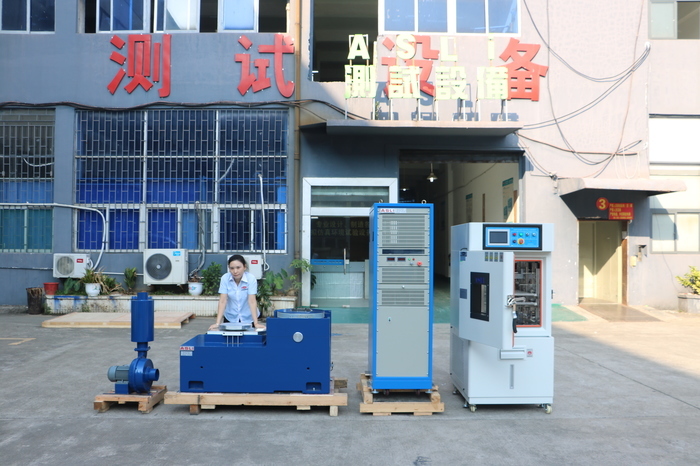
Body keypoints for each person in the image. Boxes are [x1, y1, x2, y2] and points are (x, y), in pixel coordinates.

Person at [208, 255, 265, 331]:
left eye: (238, 267)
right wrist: (217, 323)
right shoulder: (225, 278)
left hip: (248, 318)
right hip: (230, 318)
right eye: (232, 268)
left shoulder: (251, 279)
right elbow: (222, 301)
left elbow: (252, 301)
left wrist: (256, 323)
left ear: (244, 267)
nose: (235, 271)